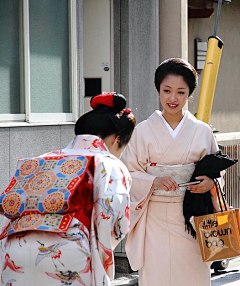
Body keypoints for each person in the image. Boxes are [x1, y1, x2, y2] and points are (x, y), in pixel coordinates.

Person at [0, 93, 136, 286]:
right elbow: (113, 219)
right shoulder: (107, 163)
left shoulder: (42, 159)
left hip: (14, 249)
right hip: (68, 254)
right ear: (117, 139)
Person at [121, 58, 220, 286]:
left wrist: (210, 184)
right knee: (158, 276)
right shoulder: (143, 131)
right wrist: (153, 180)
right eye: (167, 91)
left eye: (180, 92)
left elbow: (216, 172)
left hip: (194, 219)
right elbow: (127, 173)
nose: (173, 98)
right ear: (158, 90)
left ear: (189, 94)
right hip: (155, 217)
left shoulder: (202, 131)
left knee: (193, 276)